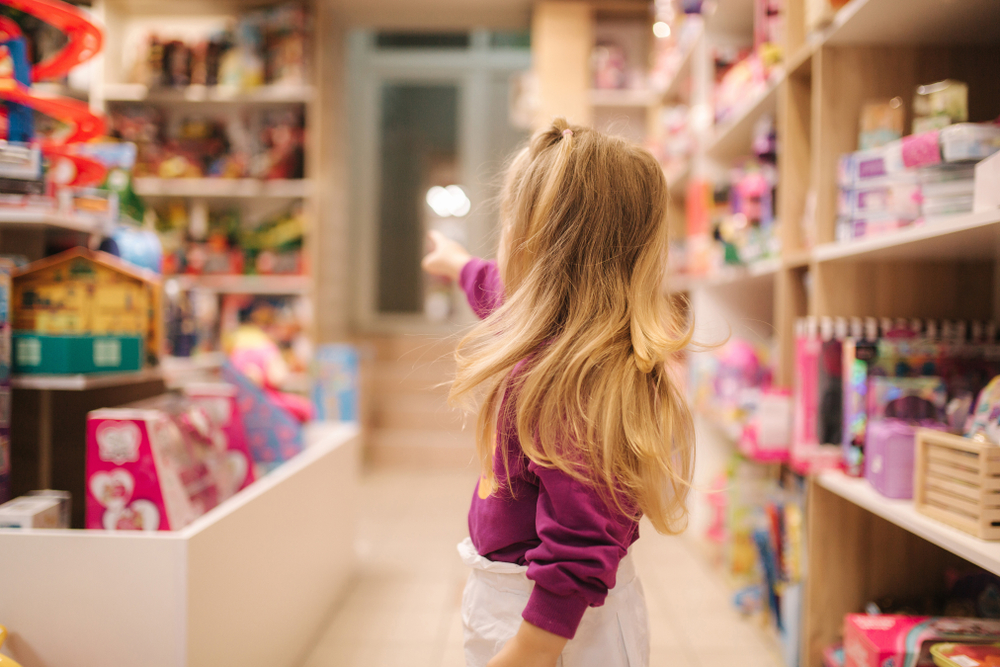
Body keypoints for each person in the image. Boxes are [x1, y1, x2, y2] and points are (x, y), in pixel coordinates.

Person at [421, 118, 694, 667]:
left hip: (554, 633)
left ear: (535, 247)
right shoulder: (563, 330)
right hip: (533, 608)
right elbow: (506, 291)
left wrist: (529, 648)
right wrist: (457, 266)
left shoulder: (569, 384)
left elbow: (581, 541)